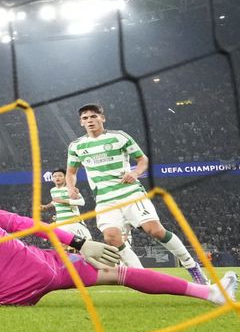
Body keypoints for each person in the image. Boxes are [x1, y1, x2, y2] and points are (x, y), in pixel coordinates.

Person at [0, 203, 236, 307]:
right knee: (120, 274)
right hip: (45, 269)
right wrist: (80, 243)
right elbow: (25, 223)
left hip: (7, 297)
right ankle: (210, 293)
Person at [66, 104, 207, 284]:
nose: (90, 121)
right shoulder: (76, 145)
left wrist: (135, 173)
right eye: (85, 118)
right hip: (104, 199)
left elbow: (142, 160)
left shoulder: (119, 137)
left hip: (130, 192)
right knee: (111, 238)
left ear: (102, 118)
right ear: (81, 123)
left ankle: (191, 266)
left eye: (93, 116)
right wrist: (71, 188)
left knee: (154, 230)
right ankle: (142, 276)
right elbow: (71, 172)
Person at [41, 168, 92, 241]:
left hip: (74, 221)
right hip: (61, 223)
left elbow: (82, 202)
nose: (57, 178)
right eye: (55, 176)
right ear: (52, 179)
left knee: (88, 243)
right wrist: (46, 206)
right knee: (64, 246)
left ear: (65, 178)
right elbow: (55, 201)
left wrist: (63, 201)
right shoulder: (53, 190)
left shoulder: (71, 189)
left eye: (60, 176)